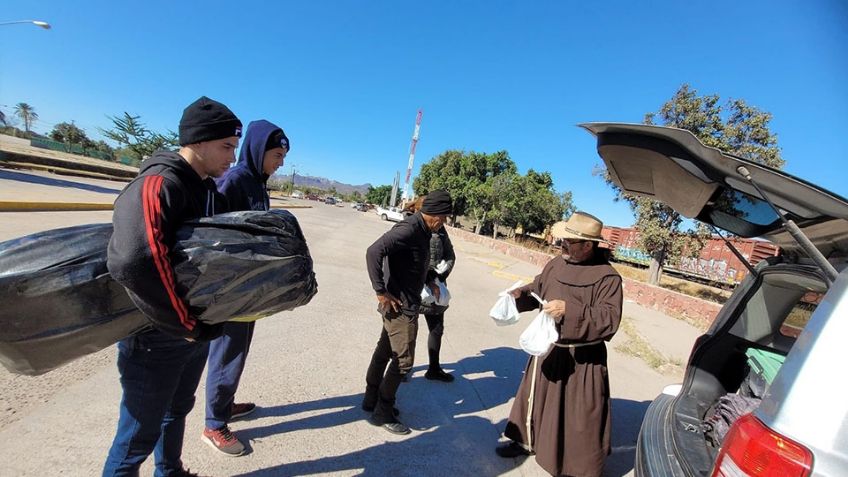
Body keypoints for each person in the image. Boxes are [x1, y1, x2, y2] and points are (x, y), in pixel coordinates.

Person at [103, 96, 242, 476]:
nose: (232, 157)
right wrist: (185, 324)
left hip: (191, 330)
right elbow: (135, 260)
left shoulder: (204, 187)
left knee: (176, 409)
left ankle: (170, 471)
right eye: (226, 147)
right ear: (197, 142)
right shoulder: (159, 183)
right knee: (135, 441)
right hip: (158, 334)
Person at [495, 211, 623, 477]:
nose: (561, 244)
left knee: (579, 417)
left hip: (582, 360)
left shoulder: (607, 278)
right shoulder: (556, 263)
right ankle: (525, 441)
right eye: (563, 239)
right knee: (534, 399)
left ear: (588, 245)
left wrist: (571, 311)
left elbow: (609, 319)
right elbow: (538, 289)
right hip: (549, 348)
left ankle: (577, 467)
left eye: (569, 241)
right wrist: (518, 296)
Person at [201, 119, 290, 456]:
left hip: (248, 287)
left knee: (237, 351)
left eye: (283, 156)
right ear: (258, 149)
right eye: (277, 155)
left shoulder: (258, 183)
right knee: (227, 352)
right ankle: (213, 424)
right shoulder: (235, 180)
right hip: (231, 287)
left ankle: (223, 405)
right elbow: (212, 234)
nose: (280, 162)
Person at [362, 190, 453, 435]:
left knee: (384, 351)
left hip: (401, 302)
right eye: (442, 218)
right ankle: (382, 411)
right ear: (432, 213)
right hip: (400, 305)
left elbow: (413, 261)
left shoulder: (423, 230)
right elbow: (374, 251)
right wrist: (381, 291)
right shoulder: (411, 228)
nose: (443, 223)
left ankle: (371, 399)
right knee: (403, 363)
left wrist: (431, 277)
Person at [406, 196, 457, 382]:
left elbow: (451, 254)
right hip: (413, 287)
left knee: (437, 329)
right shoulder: (410, 227)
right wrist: (428, 279)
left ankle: (433, 369)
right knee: (409, 331)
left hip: (436, 288)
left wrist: (440, 277)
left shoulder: (441, 230)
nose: (441, 220)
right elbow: (411, 259)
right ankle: (403, 368)